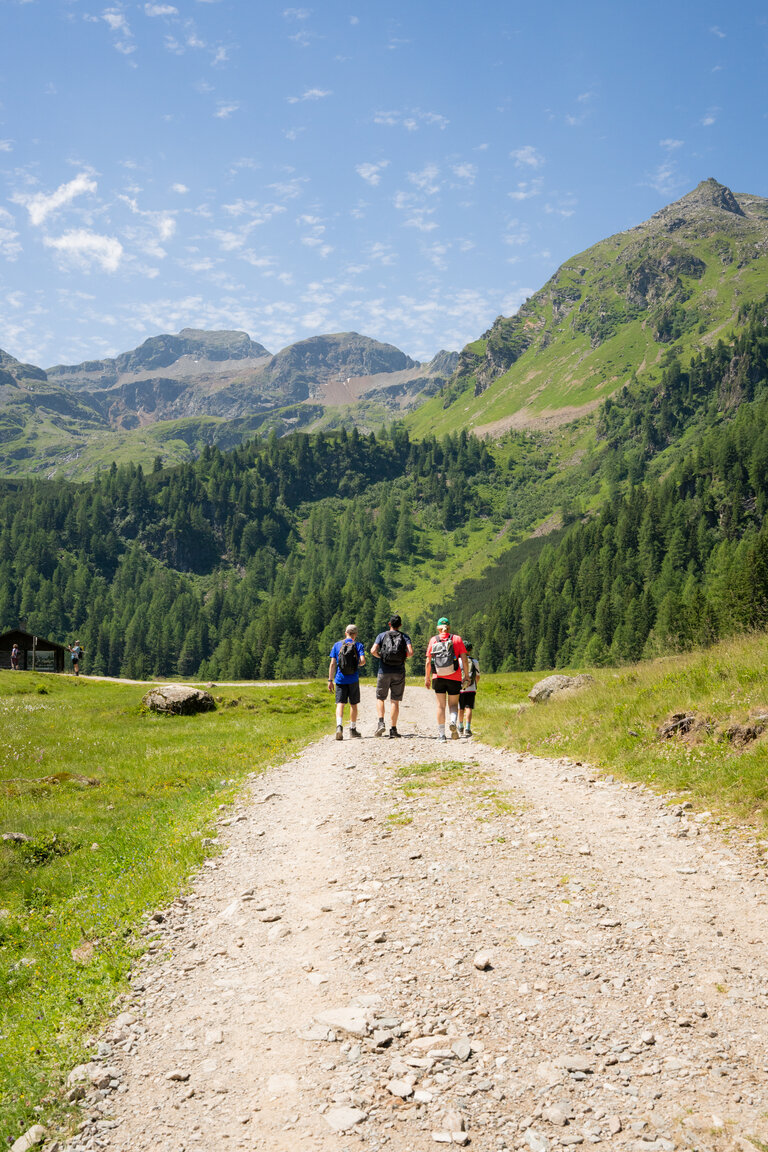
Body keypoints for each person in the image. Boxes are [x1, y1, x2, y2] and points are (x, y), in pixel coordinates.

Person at [424, 616, 470, 742]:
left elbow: (428, 661)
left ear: (438, 628)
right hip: (454, 676)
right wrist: (466, 676)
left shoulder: (433, 640)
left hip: (438, 676)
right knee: (454, 704)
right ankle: (453, 722)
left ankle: (441, 735)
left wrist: (427, 677)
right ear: (449, 627)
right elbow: (464, 659)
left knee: (440, 706)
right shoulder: (457, 639)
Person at [370, 614, 414, 738]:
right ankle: (393, 729)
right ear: (400, 625)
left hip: (383, 671)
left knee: (380, 698)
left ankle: (380, 723)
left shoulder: (381, 635)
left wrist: (381, 656)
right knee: (395, 701)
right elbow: (410, 653)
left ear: (389, 624)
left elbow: (373, 651)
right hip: (399, 671)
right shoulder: (404, 636)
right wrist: (402, 657)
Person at [328, 624, 366, 740]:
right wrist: (357, 663)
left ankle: (339, 726)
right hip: (353, 679)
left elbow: (333, 664)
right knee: (353, 704)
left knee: (340, 703)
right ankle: (353, 730)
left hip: (340, 679)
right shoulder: (358, 645)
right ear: (355, 634)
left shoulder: (337, 645)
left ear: (346, 633)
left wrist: (330, 680)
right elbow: (363, 661)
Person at [458, 641, 480, 737]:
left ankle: (460, 726)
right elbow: (478, 676)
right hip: (471, 688)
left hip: (460, 688)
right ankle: (468, 728)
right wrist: (474, 684)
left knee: (460, 708)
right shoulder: (475, 662)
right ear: (470, 650)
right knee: (469, 707)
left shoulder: (458, 661)